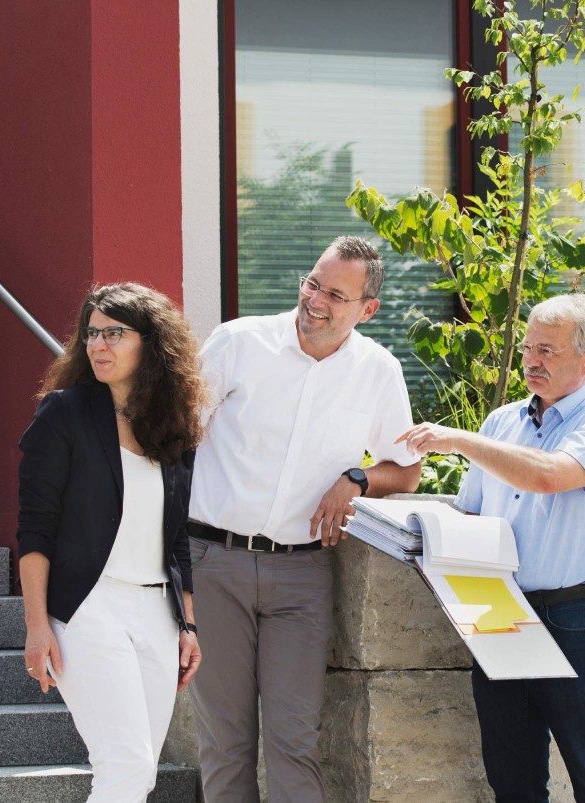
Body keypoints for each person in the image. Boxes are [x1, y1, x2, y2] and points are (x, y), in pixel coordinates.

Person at [187, 235, 422, 803]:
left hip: (302, 574)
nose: (316, 300)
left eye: (335, 294)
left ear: (368, 309)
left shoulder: (377, 370)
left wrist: (357, 478)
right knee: (224, 740)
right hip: (213, 564)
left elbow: (407, 470)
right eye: (313, 283)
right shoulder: (239, 343)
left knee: (295, 739)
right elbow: (177, 437)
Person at [398, 293, 585, 803]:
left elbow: (548, 476)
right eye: (529, 347)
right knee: (511, 782)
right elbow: (470, 515)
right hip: (497, 611)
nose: (531, 360)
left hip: (576, 614)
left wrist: (459, 440)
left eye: (547, 351)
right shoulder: (501, 423)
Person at [17, 283, 206, 802]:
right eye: (91, 333)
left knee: (139, 775)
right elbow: (35, 528)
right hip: (88, 606)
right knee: (125, 765)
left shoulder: (173, 425)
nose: (98, 345)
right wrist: (37, 626)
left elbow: (178, 538)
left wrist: (186, 623)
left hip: (156, 613)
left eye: (114, 334)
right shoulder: (65, 414)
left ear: (151, 343)